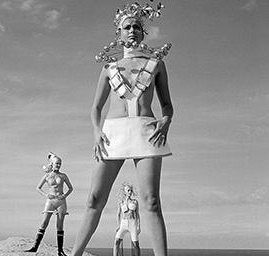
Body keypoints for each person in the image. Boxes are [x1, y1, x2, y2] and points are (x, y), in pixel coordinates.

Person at [71, 2, 173, 256]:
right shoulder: (109, 68)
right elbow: (95, 108)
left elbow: (168, 106)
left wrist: (166, 121)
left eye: (136, 27)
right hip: (111, 134)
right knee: (95, 199)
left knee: (151, 201)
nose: (131, 30)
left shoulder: (156, 64)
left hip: (146, 132)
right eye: (126, 27)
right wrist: (96, 132)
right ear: (119, 33)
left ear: (143, 33)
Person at [25, 152, 73, 256]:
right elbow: (38, 188)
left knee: (60, 226)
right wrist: (46, 195)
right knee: (44, 223)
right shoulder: (47, 176)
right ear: (52, 164)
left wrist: (64, 196)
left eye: (60, 163)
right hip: (50, 201)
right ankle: (35, 247)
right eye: (57, 163)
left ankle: (60, 251)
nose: (59, 165)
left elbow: (71, 188)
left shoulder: (63, 176)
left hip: (61, 201)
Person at [114, 183, 141, 256]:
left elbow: (137, 214)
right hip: (123, 223)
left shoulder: (135, 201)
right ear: (125, 192)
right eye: (128, 190)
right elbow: (118, 214)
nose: (130, 192)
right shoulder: (121, 202)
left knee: (136, 244)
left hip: (133, 223)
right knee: (116, 242)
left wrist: (139, 226)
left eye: (131, 190)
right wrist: (118, 225)